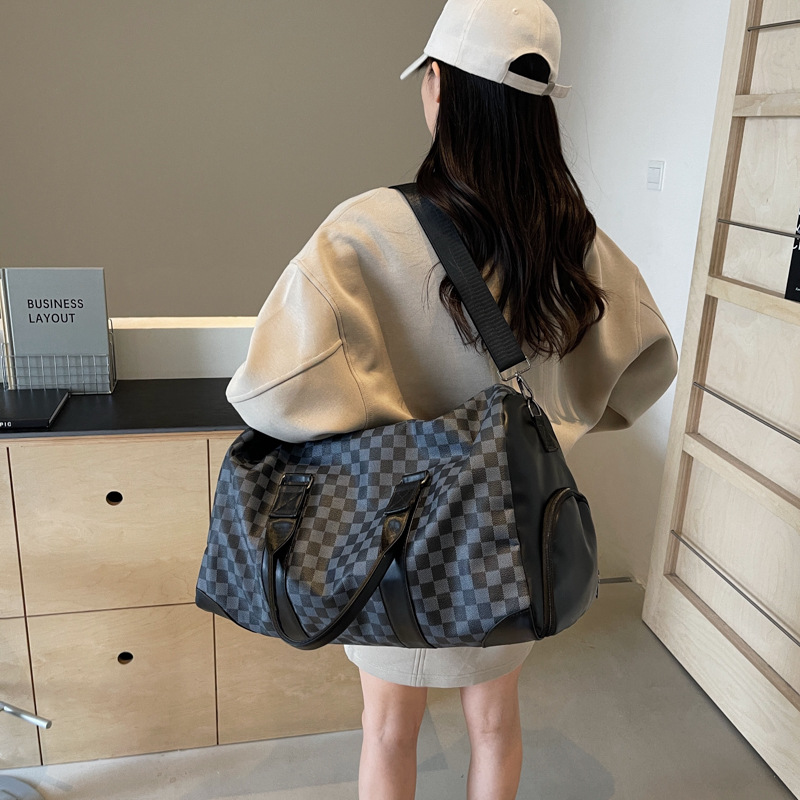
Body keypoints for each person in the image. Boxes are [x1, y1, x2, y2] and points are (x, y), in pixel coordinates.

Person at [225, 1, 679, 797]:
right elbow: (647, 365)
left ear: (437, 83)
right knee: (497, 726)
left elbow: (268, 392)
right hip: (507, 541)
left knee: (386, 732)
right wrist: (560, 427)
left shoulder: (363, 231)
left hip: (382, 546)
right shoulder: (575, 240)